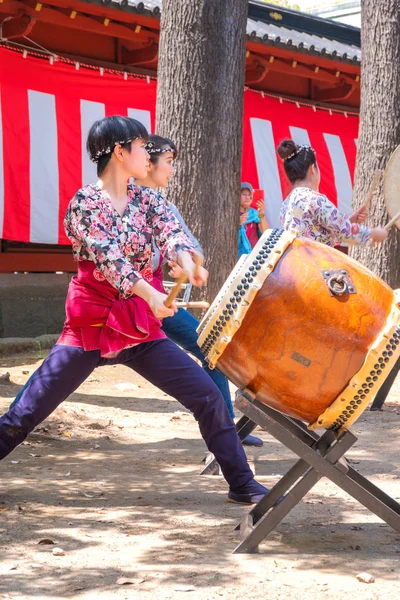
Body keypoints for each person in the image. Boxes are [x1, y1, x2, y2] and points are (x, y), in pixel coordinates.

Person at [0, 116, 269, 505]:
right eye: (142, 146)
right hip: (89, 328)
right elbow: (110, 261)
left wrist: (185, 260)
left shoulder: (148, 199)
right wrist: (152, 295)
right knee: (25, 414)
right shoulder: (85, 204)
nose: (148, 153)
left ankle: (242, 483)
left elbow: (171, 233)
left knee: (206, 396)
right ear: (119, 151)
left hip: (140, 332)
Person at [134, 134, 263, 447]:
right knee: (69, 365)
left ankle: (224, 430)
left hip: (153, 303)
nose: (173, 170)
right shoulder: (126, 201)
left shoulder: (163, 205)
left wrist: (188, 263)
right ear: (148, 164)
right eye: (169, 162)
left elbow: (186, 243)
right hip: (126, 304)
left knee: (210, 348)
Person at [277, 139, 388, 246]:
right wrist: (373, 233)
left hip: (296, 263)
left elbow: (319, 234)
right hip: (316, 263)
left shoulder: (286, 204)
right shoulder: (315, 200)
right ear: (312, 169)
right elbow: (344, 232)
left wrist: (349, 220)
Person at [239, 182, 269, 256]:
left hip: (254, 254)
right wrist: (238, 224)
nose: (247, 197)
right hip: (238, 257)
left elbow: (266, 233)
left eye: (250, 195)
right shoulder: (231, 215)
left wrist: (261, 213)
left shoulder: (255, 214)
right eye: (244, 194)